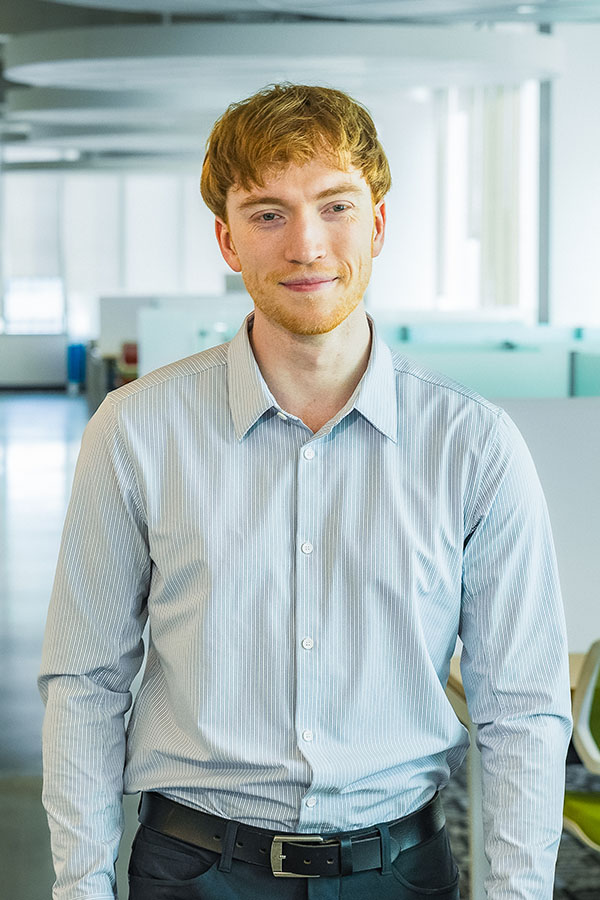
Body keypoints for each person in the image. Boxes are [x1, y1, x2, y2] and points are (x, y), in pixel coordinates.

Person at [39, 83, 572, 900]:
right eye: (267, 214)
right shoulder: (134, 431)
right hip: (194, 869)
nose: (307, 246)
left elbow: (524, 711)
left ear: (379, 223)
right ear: (227, 240)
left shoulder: (474, 445)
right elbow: (86, 681)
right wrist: (80, 887)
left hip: (398, 873)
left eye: (335, 206)